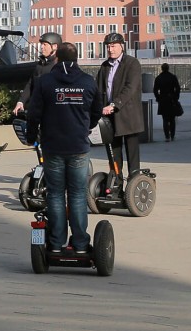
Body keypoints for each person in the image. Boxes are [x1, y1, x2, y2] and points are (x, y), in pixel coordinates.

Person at [25, 42, 103, 255]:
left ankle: (57, 242)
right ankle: (79, 244)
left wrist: (31, 136)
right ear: (77, 58)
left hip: (53, 146)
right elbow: (96, 111)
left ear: (57, 58)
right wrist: (85, 127)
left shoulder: (45, 82)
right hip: (78, 146)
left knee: (56, 194)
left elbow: (34, 114)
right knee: (78, 194)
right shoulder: (88, 82)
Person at [95, 32, 144, 177]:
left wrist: (115, 104)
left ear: (122, 46)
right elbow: (98, 89)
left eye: (114, 46)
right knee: (113, 153)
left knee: (132, 153)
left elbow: (131, 88)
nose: (110, 49)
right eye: (108, 46)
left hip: (128, 116)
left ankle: (133, 181)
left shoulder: (132, 63)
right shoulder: (105, 66)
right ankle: (115, 181)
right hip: (109, 118)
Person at [13, 32, 62, 115]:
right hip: (36, 110)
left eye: (45, 44)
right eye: (41, 44)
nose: (42, 47)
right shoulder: (40, 64)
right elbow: (31, 84)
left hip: (52, 112)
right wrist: (21, 102)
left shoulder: (59, 66)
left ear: (55, 46)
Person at [153, 63, 181, 142]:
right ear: (168, 68)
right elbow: (177, 88)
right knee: (172, 119)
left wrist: (158, 97)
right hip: (171, 99)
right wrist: (175, 97)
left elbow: (155, 90)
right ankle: (172, 135)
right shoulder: (173, 77)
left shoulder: (158, 78)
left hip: (162, 100)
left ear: (162, 69)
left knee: (165, 119)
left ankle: (167, 136)